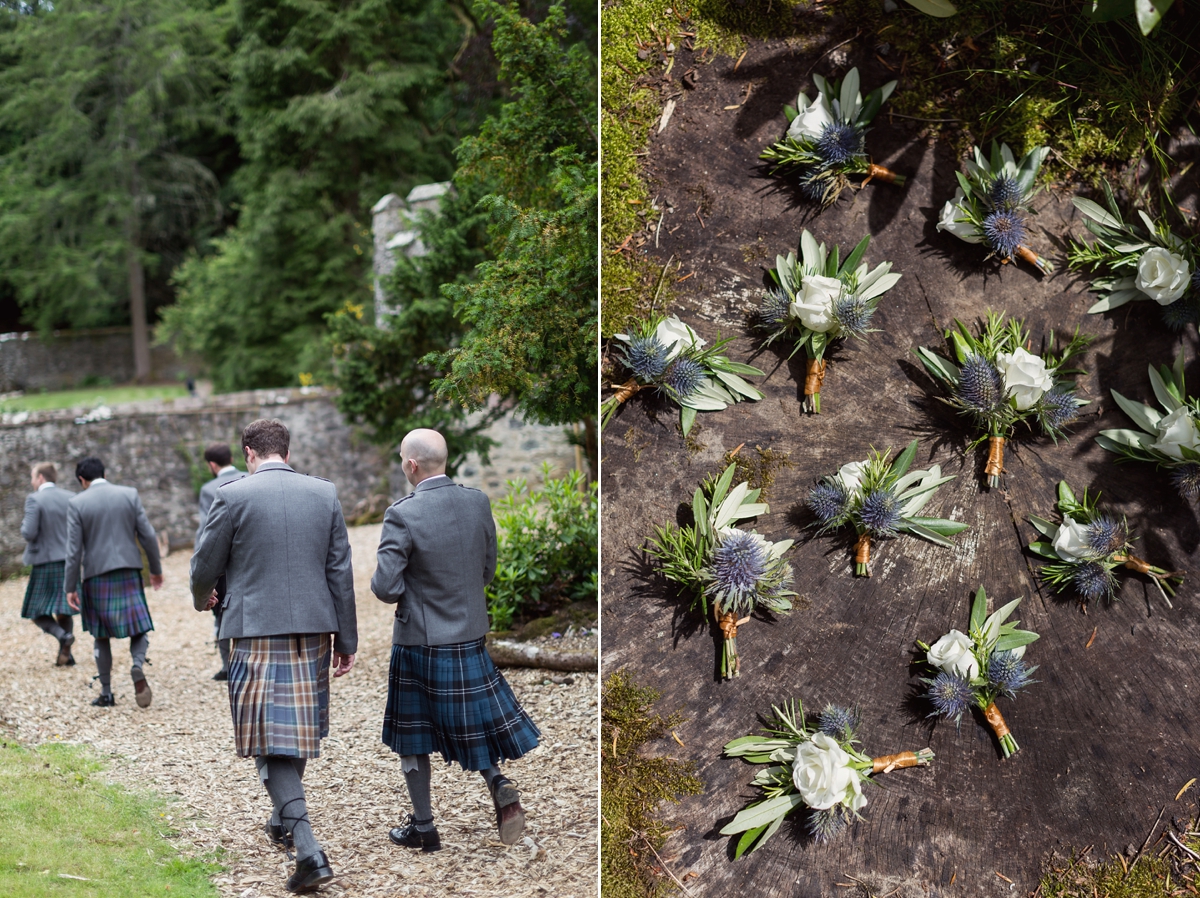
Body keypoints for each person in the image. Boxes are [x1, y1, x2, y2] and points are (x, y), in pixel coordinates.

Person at [191, 418, 356, 894]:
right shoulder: (323, 493)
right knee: (294, 731)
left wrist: (203, 596)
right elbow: (339, 571)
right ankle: (283, 818)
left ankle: (309, 851)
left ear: (248, 452)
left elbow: (206, 563)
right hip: (312, 631)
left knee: (271, 738)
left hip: (255, 629)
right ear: (286, 449)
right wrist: (347, 640)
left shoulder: (231, 495)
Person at [371, 428, 541, 852]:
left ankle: (424, 828)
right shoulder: (476, 500)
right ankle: (497, 780)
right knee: (470, 725)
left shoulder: (402, 514)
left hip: (420, 640)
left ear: (412, 465)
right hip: (469, 635)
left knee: (412, 735)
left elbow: (385, 587)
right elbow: (486, 571)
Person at [64, 457, 163, 708]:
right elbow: (148, 535)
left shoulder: (77, 503)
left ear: (81, 480)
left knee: (101, 635)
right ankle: (137, 666)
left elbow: (73, 551)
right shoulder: (128, 494)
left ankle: (107, 693)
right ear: (104, 473)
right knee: (139, 627)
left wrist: (70, 587)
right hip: (129, 570)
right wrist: (155, 569)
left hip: (96, 576)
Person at [196, 442, 245, 680]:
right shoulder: (249, 476)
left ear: (212, 465)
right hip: (249, 557)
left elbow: (207, 531)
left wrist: (200, 566)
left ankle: (228, 666)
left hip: (224, 563)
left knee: (222, 612)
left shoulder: (209, 489)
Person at [20, 462, 77, 666]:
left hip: (44, 561)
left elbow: (28, 532)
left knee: (35, 611)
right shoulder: (70, 496)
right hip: (69, 560)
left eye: (33, 477)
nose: (32, 481)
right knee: (64, 608)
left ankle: (63, 637)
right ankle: (67, 655)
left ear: (41, 478)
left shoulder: (34, 499)